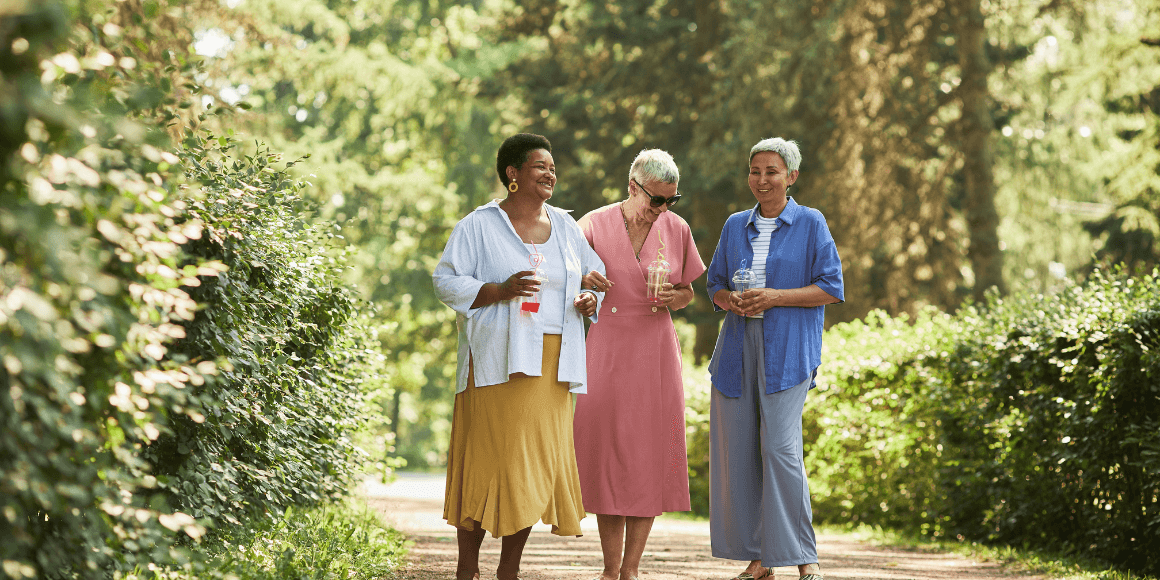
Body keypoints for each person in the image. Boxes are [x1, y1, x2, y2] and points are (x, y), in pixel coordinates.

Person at [432, 133, 607, 580]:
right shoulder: (479, 225)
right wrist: (498, 290)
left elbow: (593, 273)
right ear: (513, 174)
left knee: (532, 466)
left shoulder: (567, 227)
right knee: (488, 460)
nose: (550, 173)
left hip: (553, 364)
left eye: (552, 167)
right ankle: (466, 568)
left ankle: (508, 570)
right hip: (495, 361)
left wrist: (589, 297)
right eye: (539, 166)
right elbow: (446, 281)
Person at [704, 138, 844, 580]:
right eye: (755, 171)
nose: (762, 180)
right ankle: (761, 559)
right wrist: (732, 301)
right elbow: (715, 286)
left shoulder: (810, 222)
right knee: (742, 451)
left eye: (772, 171)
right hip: (737, 347)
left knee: (781, 450)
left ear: (791, 177)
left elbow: (830, 286)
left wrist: (775, 297)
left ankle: (806, 558)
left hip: (789, 348)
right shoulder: (733, 225)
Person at [573, 149, 706, 580]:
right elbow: (568, 277)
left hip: (655, 351)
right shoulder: (592, 224)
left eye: (671, 200)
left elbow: (688, 290)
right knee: (611, 455)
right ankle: (610, 568)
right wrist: (584, 287)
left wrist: (676, 298)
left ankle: (631, 569)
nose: (663, 209)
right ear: (633, 187)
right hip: (607, 348)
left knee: (646, 455)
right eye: (657, 200)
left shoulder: (677, 228)